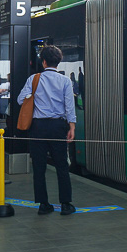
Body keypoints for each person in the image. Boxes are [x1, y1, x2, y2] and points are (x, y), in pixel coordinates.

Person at [17, 45, 77, 216]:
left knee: (39, 166)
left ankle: (43, 204)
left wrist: (34, 98)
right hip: (58, 126)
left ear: (43, 62)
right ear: (58, 62)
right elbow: (69, 106)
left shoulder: (34, 79)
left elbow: (20, 100)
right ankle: (65, 204)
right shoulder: (65, 81)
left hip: (38, 127)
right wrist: (72, 126)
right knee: (62, 165)